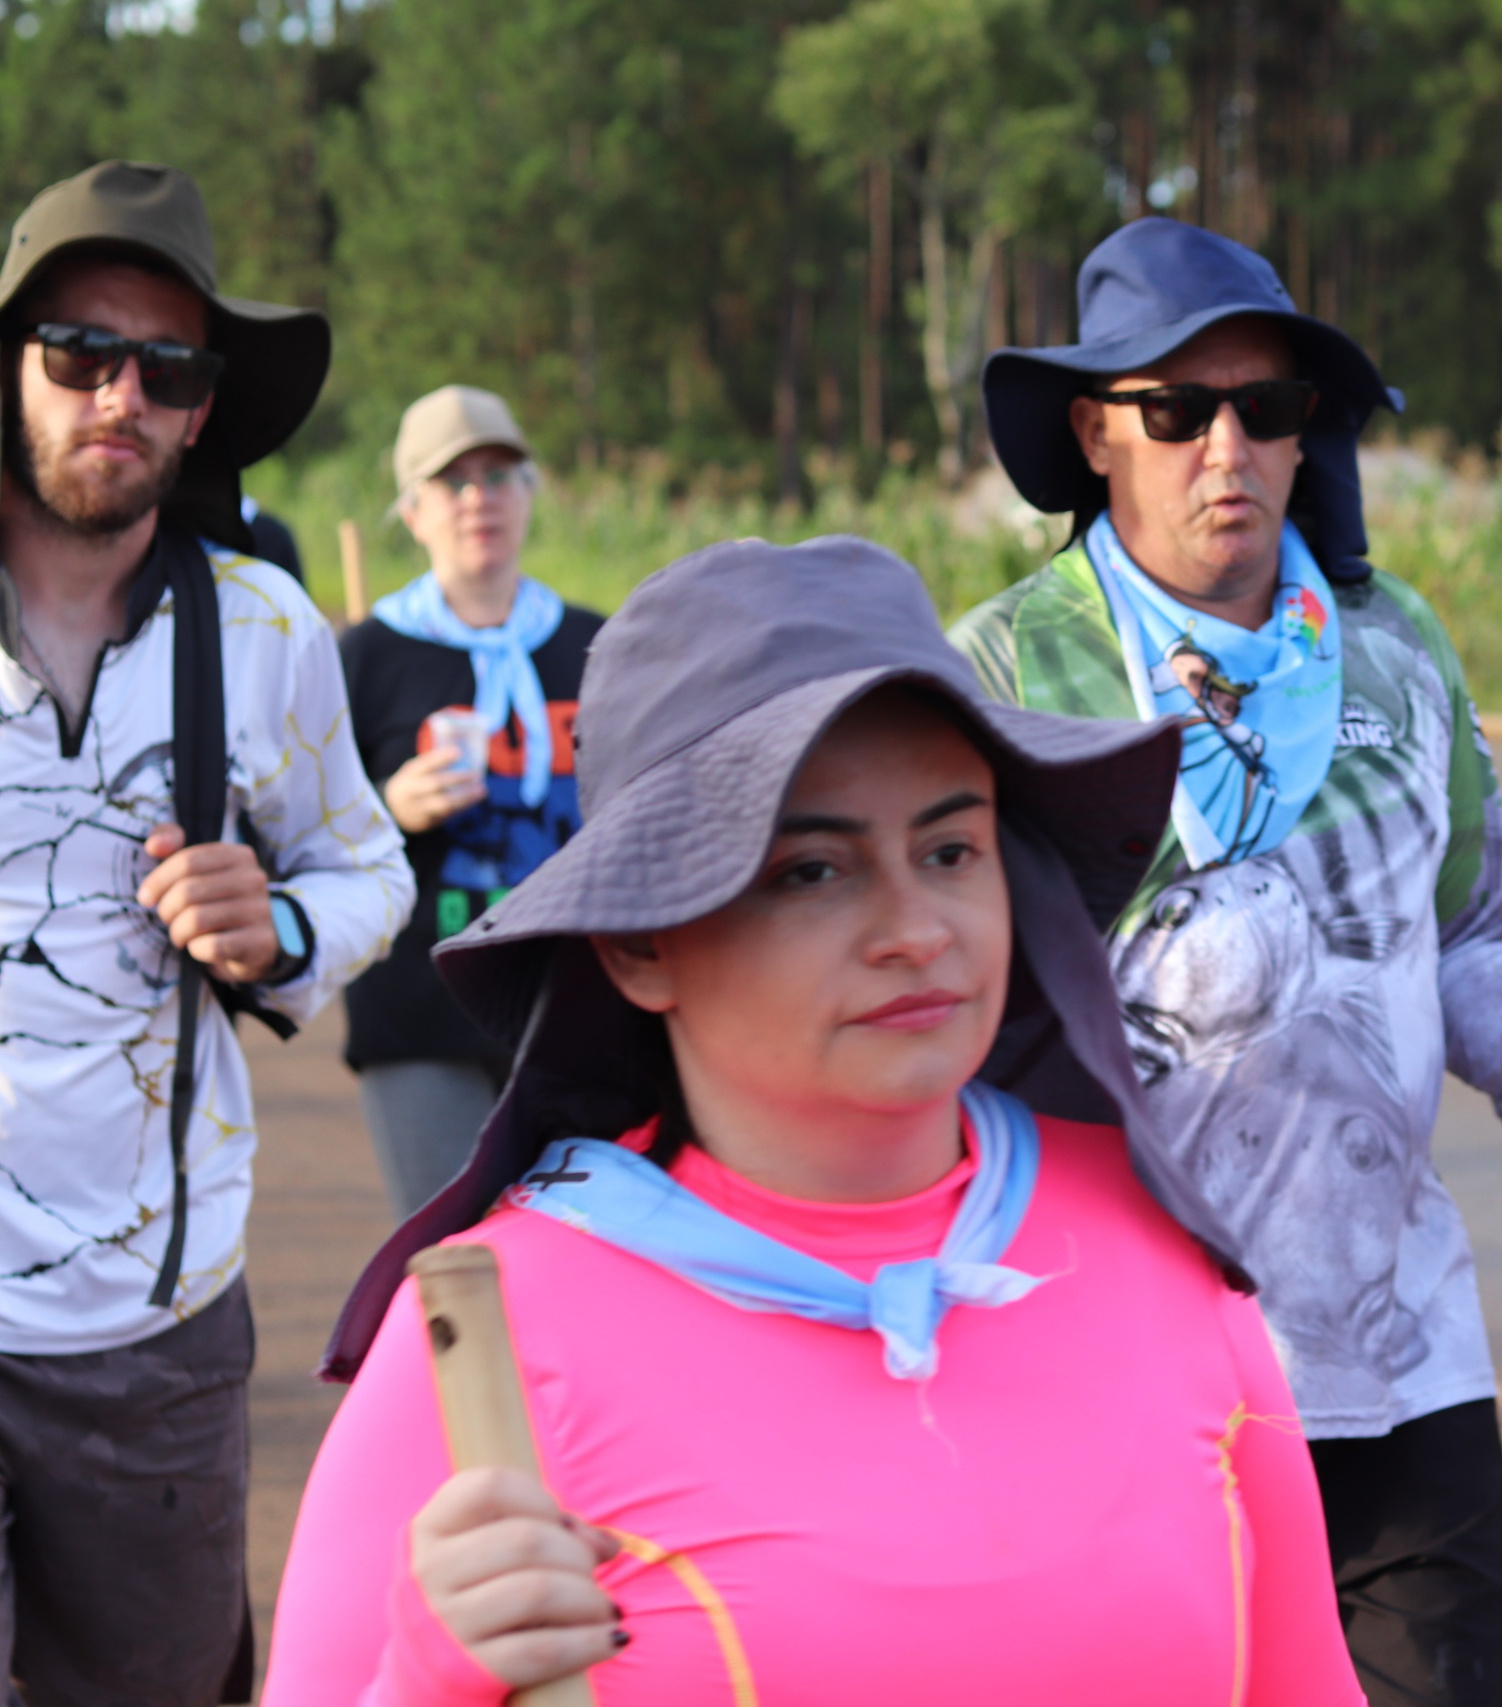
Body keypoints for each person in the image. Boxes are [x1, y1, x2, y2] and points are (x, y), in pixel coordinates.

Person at [264, 537, 1362, 1705]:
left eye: (951, 850)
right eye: (811, 873)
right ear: (638, 945)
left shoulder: (1157, 1246)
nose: (917, 930)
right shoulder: (484, 1334)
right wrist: (423, 1682)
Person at [955, 216, 1502, 1707]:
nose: (1227, 448)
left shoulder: (1397, 650)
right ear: (1093, 433)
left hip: (1403, 1362)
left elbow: (1471, 933)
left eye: (1264, 407)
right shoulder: (1003, 674)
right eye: (1175, 410)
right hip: (1132, 1364)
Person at [0, 161, 411, 1701]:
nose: (122, 393)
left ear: (202, 411)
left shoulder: (261, 627)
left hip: (153, 1331)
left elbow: (372, 871)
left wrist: (279, 917)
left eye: (167, 367)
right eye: (79, 351)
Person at [339, 386, 603, 1216]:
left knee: (586, 1255)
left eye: (498, 475)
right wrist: (388, 806)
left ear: (530, 492)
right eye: (452, 482)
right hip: (421, 1015)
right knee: (453, 1259)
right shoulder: (366, 657)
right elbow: (297, 833)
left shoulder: (599, 645)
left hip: (580, 1014)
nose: (478, 498)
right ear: (413, 512)